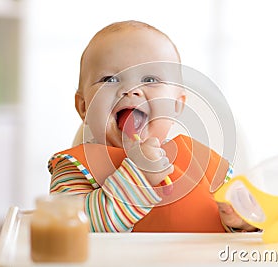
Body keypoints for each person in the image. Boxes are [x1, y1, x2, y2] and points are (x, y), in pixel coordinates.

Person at [48, 20, 257, 233]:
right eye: (109, 79)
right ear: (83, 107)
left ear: (177, 105)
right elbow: (71, 230)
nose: (130, 90)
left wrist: (243, 222)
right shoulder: (74, 169)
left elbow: (231, 236)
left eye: (149, 79)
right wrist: (139, 177)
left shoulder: (200, 162)